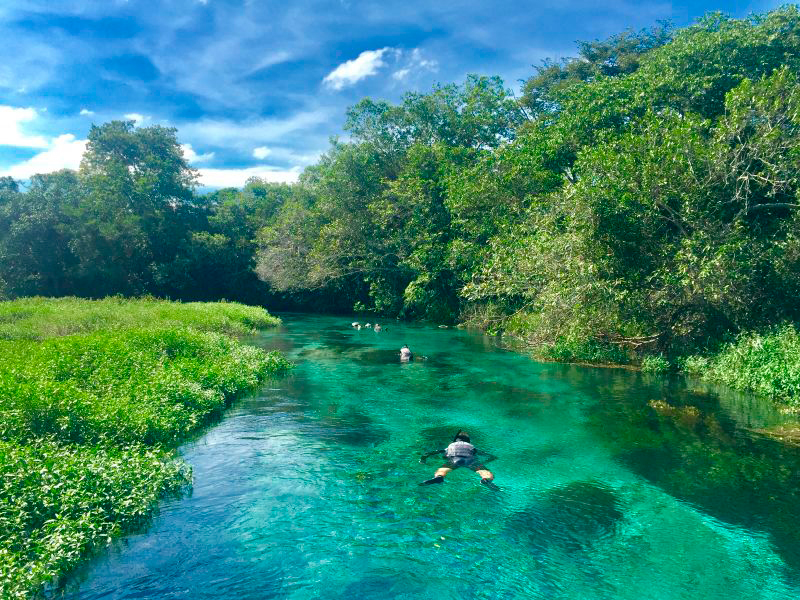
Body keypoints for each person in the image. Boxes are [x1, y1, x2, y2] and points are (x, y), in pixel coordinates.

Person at [419, 431, 499, 490]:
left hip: (455, 460)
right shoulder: (471, 446)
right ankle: (485, 480)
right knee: (485, 472)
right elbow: (492, 457)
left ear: (455, 440)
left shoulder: (451, 446)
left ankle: (439, 477)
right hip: (470, 460)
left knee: (442, 470)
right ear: (468, 441)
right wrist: (482, 463)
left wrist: (423, 459)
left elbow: (429, 453)